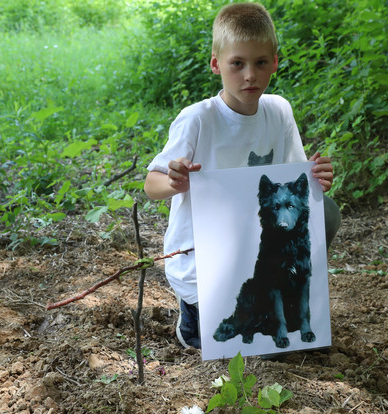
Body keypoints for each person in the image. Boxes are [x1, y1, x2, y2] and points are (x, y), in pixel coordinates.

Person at [144, 2, 341, 350]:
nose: (250, 75)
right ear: (216, 63)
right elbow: (151, 185)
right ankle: (193, 312)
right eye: (237, 64)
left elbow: (297, 184)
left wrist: (315, 178)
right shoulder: (198, 120)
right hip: (205, 260)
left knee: (327, 210)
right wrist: (174, 181)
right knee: (241, 348)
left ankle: (288, 302)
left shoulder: (279, 111)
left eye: (261, 62)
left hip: (259, 244)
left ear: (275, 62)